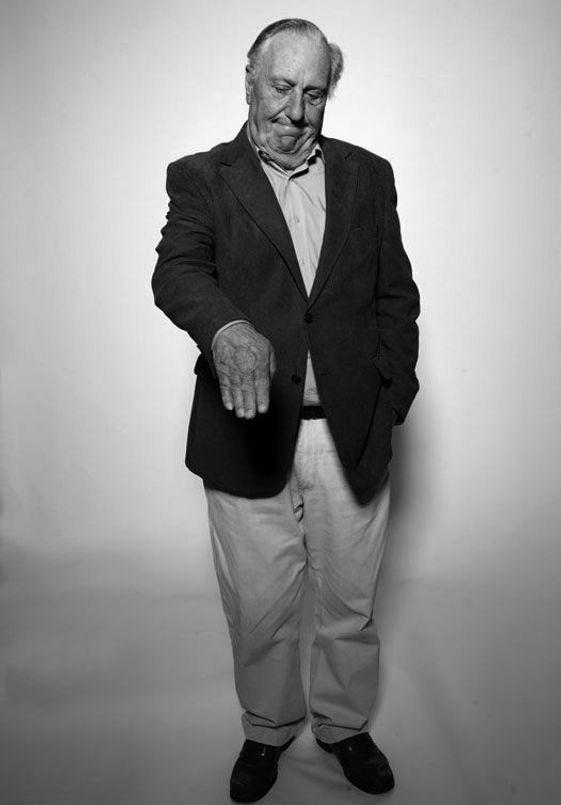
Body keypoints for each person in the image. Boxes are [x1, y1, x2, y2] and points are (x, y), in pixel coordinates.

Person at [152, 18, 420, 802]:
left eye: (314, 93)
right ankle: (267, 730)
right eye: (281, 87)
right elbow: (177, 270)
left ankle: (343, 725)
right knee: (260, 610)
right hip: (245, 433)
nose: (296, 111)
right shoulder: (201, 177)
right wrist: (226, 327)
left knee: (350, 605)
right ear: (250, 79)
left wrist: (390, 394)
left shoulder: (369, 176)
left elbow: (396, 295)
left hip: (350, 433)